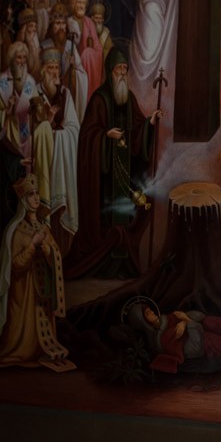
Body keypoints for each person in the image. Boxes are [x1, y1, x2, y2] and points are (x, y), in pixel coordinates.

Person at [64, 47, 161, 279]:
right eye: (119, 68)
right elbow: (87, 136)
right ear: (110, 71)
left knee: (125, 215)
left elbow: (138, 128)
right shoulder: (99, 100)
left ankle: (123, 266)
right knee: (108, 218)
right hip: (104, 177)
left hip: (125, 173)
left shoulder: (129, 99)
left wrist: (149, 123)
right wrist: (105, 136)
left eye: (125, 69)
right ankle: (104, 266)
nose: (123, 73)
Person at [0, 174, 75, 371]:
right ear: (23, 200)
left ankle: (40, 350)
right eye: (31, 194)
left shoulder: (44, 227)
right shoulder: (16, 230)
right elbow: (15, 265)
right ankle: (20, 349)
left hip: (42, 289)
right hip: (24, 291)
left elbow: (55, 254)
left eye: (36, 193)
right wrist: (33, 245)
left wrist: (47, 248)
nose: (35, 198)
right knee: (23, 345)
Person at [33, 47, 80, 256]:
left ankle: (63, 256)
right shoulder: (35, 93)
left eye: (56, 68)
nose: (54, 73)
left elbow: (74, 128)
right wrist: (48, 123)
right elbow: (32, 130)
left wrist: (58, 135)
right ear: (43, 71)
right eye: (50, 68)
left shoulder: (65, 94)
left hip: (61, 161)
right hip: (43, 161)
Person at [42, 3, 88, 123]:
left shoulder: (70, 46)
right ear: (51, 26)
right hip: (49, 91)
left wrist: (74, 66)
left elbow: (82, 74)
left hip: (66, 93)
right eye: (57, 23)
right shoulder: (44, 46)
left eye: (63, 23)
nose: (61, 27)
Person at [0, 41, 37, 161]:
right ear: (12, 59)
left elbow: (37, 106)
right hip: (8, 133)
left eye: (24, 57)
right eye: (19, 57)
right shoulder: (2, 81)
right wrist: (8, 110)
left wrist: (34, 110)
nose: (22, 61)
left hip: (26, 129)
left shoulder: (30, 81)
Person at [67, 0, 103, 101]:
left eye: (83, 3)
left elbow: (98, 47)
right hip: (71, 60)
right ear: (74, 4)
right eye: (79, 2)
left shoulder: (89, 22)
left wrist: (89, 54)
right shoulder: (69, 22)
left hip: (87, 63)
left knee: (88, 53)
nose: (81, 6)